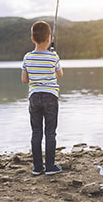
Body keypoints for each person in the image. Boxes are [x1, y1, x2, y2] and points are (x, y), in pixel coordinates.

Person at [21, 21, 63, 176]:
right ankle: (50, 166)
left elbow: (24, 80)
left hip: (34, 97)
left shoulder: (27, 57)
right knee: (50, 132)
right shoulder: (53, 56)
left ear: (32, 39)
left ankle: (38, 167)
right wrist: (54, 61)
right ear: (49, 39)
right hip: (50, 97)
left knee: (36, 132)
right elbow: (60, 74)